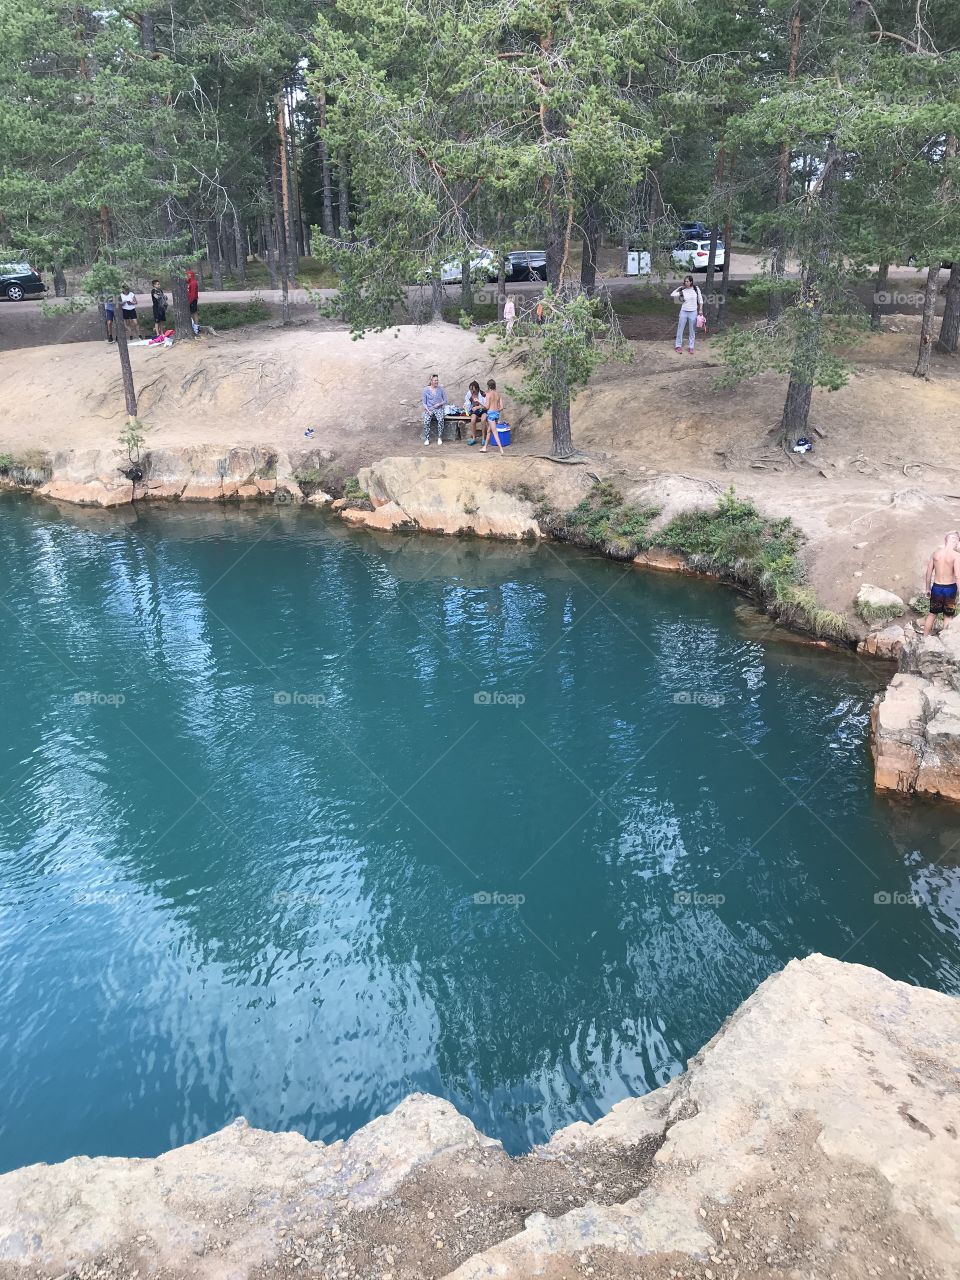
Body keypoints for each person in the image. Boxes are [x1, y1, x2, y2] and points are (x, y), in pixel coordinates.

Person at [923, 532, 960, 635]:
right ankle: (945, 639)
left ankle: (924, 638)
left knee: (932, 614)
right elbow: (957, 575)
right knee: (947, 615)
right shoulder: (956, 555)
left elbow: (929, 572)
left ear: (945, 540)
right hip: (950, 589)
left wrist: (927, 588)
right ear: (956, 541)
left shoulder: (935, 553)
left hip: (937, 588)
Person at [670, 275, 703, 354]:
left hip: (693, 312)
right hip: (684, 311)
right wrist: (679, 288)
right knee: (680, 329)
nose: (686, 283)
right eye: (685, 281)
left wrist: (700, 309)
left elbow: (700, 300)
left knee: (692, 330)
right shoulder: (683, 290)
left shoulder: (696, 289)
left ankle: (691, 347)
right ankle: (678, 346)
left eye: (687, 281)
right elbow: (673, 294)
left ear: (691, 282)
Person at [479, 379, 505, 455]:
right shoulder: (498, 394)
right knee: (489, 431)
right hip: (496, 414)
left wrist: (479, 402)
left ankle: (501, 449)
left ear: (488, 386)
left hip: (491, 414)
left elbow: (487, 407)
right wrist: (496, 411)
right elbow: (502, 407)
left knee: (494, 432)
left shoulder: (488, 394)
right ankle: (485, 447)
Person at [422, 373, 447, 446]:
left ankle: (439, 437)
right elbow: (424, 403)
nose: (437, 382)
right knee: (426, 421)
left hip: (438, 408)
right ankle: (427, 439)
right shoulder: (425, 390)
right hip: (429, 409)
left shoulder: (441, 389)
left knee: (440, 419)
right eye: (435, 380)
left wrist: (439, 404)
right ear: (431, 381)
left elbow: (445, 400)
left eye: (437, 380)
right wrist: (428, 411)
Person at [464, 380, 487, 444]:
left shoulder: (482, 394)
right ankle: (473, 438)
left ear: (477, 389)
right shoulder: (469, 393)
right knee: (473, 420)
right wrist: (466, 406)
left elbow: (486, 406)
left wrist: (478, 407)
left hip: (483, 409)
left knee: (483, 419)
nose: (472, 391)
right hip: (474, 410)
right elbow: (467, 403)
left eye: (473, 390)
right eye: (471, 390)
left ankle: (483, 438)